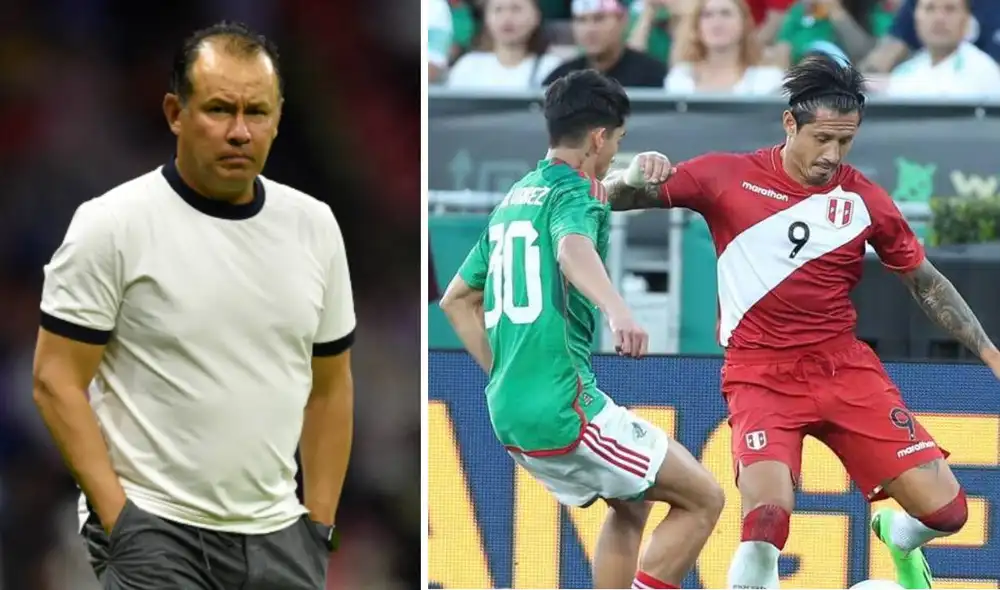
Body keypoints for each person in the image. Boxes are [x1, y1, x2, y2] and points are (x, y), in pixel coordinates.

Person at [602, 53, 1000, 589]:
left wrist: (989, 351)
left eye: (845, 141)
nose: (832, 155)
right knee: (766, 520)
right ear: (790, 123)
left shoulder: (864, 201)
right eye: (822, 138)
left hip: (844, 369)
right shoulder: (727, 177)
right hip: (761, 374)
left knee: (949, 514)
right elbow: (609, 198)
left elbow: (925, 283)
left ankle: (898, 536)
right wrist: (630, 174)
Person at [32, 21, 356, 590]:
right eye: (219, 109)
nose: (240, 131)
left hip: (280, 538)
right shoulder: (112, 224)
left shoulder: (315, 226)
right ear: (175, 113)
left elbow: (330, 386)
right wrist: (121, 521)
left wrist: (318, 529)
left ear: (279, 118)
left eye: (257, 112)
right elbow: (55, 377)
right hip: (158, 530)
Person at [438, 69, 724, 590]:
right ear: (598, 137)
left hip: (508, 408)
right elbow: (573, 247)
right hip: (564, 409)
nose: (615, 151)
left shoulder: (517, 198)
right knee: (704, 498)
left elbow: (456, 301)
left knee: (632, 503)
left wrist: (506, 372)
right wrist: (618, 310)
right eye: (617, 140)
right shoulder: (577, 193)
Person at [882, 0, 1000, 99]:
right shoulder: (902, 75)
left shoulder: (984, 73)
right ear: (915, 18)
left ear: (966, 19)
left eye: (950, 9)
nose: (939, 18)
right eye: (930, 9)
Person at [665, 0, 785, 95]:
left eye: (726, 14)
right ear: (697, 27)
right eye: (707, 15)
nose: (717, 23)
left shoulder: (768, 80)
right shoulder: (680, 78)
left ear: (744, 24)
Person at [543, 0, 669, 88]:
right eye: (581, 20)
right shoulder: (562, 79)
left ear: (622, 20)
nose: (589, 29)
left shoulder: (653, 76)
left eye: (599, 18)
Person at [446, 0, 563, 89]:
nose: (507, 18)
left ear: (536, 16)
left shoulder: (552, 68)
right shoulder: (468, 66)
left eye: (516, 9)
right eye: (498, 10)